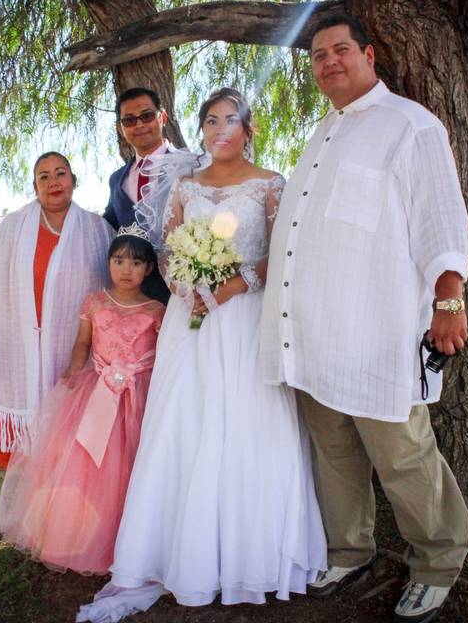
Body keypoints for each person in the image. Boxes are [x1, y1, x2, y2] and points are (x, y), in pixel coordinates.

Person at [78, 88, 326, 623]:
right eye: (210, 120)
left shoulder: (271, 184)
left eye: (229, 120)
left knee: (245, 424)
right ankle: (179, 552)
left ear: (248, 128)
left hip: (244, 317)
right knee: (184, 425)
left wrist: (236, 284)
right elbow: (166, 250)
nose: (219, 129)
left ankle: (248, 555)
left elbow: (283, 254)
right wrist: (185, 282)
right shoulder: (186, 185)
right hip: (189, 321)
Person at [260, 14, 468, 623]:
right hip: (313, 333)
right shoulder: (321, 132)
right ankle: (351, 549)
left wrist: (449, 300)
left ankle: (437, 561)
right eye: (318, 55)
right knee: (333, 451)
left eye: (340, 50)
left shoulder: (411, 126)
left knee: (403, 453)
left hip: (375, 330)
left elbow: (442, 222)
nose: (329, 62)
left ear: (369, 54)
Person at [0, 228, 164, 574]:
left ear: (148, 268)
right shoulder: (95, 302)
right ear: (108, 263)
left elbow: (161, 354)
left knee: (131, 464)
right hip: (95, 389)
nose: (126, 269)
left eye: (135, 262)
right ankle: (78, 537)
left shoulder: (157, 309)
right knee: (89, 465)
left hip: (138, 395)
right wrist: (73, 371)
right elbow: (83, 343)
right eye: (118, 260)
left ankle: (132, 541)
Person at [0, 152, 113, 469]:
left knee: (67, 447)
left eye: (61, 173)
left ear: (74, 181)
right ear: (35, 186)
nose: (53, 181)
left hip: (74, 349)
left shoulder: (98, 230)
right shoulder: (13, 227)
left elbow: (113, 289)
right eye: (44, 176)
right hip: (16, 347)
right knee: (27, 456)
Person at [103, 87, 178, 304]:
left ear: (162, 117)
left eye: (146, 116)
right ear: (121, 128)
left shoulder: (190, 167)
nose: (139, 125)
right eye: (129, 120)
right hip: (135, 301)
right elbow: (107, 227)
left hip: (182, 295)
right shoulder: (117, 180)